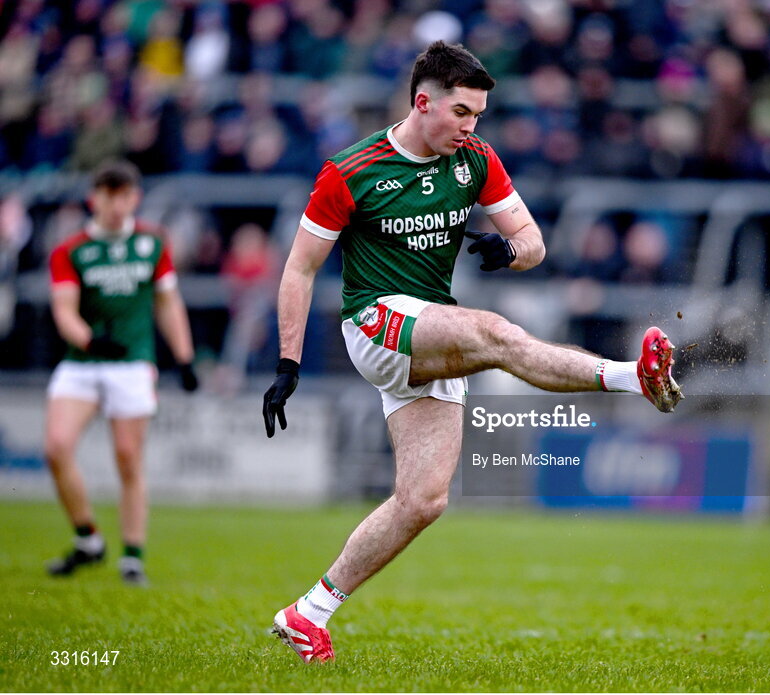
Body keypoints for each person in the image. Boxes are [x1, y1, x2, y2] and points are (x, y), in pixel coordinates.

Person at [263, 41, 681, 663]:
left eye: (479, 115)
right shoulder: (349, 170)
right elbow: (299, 270)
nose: (471, 126)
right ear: (422, 101)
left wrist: (511, 252)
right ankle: (630, 376)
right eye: (462, 112)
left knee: (424, 501)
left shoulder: (476, 159)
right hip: (374, 322)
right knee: (496, 335)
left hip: (429, 330)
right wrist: (287, 364)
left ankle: (308, 612)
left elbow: (534, 241)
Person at [45, 160, 199, 586]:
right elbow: (64, 311)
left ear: (135, 197)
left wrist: (184, 358)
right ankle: (88, 539)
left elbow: (169, 304)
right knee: (57, 447)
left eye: (124, 195)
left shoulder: (152, 243)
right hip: (83, 363)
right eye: (108, 195)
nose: (116, 204)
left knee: (128, 457)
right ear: (94, 198)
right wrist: (89, 340)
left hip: (132, 364)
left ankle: (132, 556)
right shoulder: (70, 251)